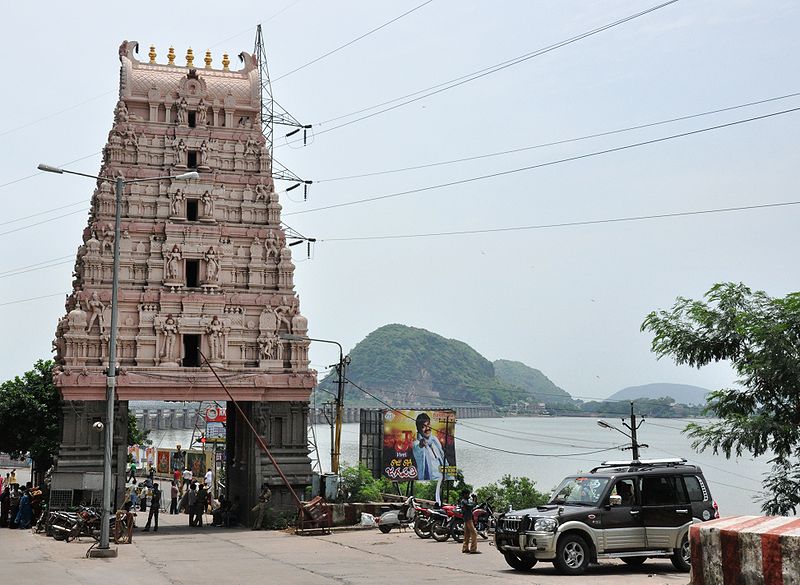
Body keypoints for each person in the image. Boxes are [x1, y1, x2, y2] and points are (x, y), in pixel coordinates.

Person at [411, 413, 446, 480]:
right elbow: (418, 450)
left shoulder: (434, 440)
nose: (427, 429)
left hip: (442, 477)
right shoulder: (416, 443)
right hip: (429, 479)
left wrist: (450, 476)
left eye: (428, 425)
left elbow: (443, 458)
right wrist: (420, 445)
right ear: (418, 429)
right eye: (423, 427)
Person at [459, 490, 478, 554]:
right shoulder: (464, 501)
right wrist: (474, 501)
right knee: (474, 533)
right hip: (468, 519)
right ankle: (473, 549)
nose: (468, 495)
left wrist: (475, 500)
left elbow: (473, 505)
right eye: (467, 494)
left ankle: (465, 548)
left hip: (467, 518)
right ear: (464, 494)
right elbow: (470, 506)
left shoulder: (466, 501)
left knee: (467, 534)